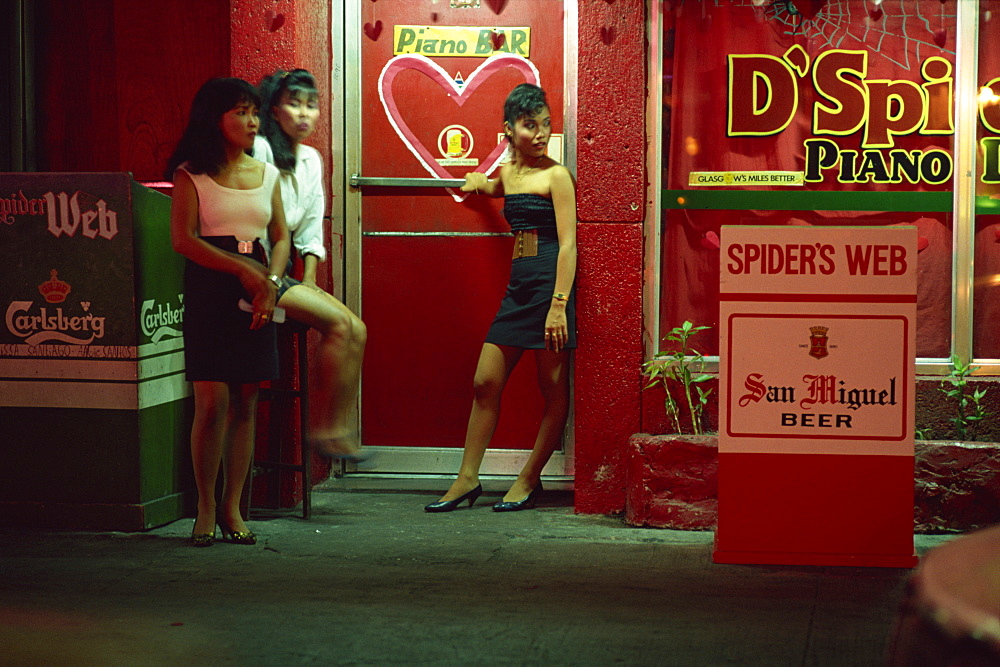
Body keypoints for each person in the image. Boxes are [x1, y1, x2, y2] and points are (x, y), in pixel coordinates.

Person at [425, 83, 577, 513]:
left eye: (546, 124)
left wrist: (559, 305)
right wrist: (478, 182)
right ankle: (466, 479)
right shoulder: (511, 174)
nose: (542, 133)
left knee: (551, 388)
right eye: (531, 125)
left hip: (550, 290)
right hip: (518, 289)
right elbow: (496, 188)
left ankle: (529, 478)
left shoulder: (557, 175)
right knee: (484, 382)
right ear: (509, 130)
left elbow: (568, 245)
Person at [165, 77, 291, 546]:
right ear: (214, 118)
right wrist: (241, 270)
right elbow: (184, 240)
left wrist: (270, 283)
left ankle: (235, 507)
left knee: (246, 401)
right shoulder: (190, 173)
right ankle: (204, 504)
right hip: (209, 287)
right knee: (212, 400)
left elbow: (280, 237)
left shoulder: (268, 174)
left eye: (254, 112)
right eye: (240, 111)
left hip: (258, 288)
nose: (252, 121)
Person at [254, 68, 368, 460]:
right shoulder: (262, 150)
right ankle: (323, 430)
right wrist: (289, 284)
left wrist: (311, 282)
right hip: (257, 272)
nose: (304, 114)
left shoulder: (311, 159)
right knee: (339, 325)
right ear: (274, 109)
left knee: (358, 329)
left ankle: (338, 430)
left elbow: (312, 230)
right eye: (294, 104)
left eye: (312, 105)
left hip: (286, 275)